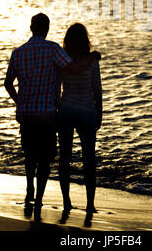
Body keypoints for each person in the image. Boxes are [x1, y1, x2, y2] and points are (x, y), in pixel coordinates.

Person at [4, 13, 100, 220]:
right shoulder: (54, 50)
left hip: (36, 112)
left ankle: (41, 192)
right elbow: (81, 75)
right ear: (46, 29)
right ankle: (45, 200)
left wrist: (20, 101)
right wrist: (93, 57)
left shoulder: (18, 52)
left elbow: (8, 83)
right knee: (54, 158)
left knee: (34, 154)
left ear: (31, 27)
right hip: (54, 113)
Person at [58, 23, 102, 226]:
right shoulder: (92, 62)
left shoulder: (63, 61)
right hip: (86, 112)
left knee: (65, 158)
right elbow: (97, 90)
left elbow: (57, 88)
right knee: (89, 159)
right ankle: (90, 204)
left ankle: (66, 202)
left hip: (66, 110)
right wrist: (99, 114)